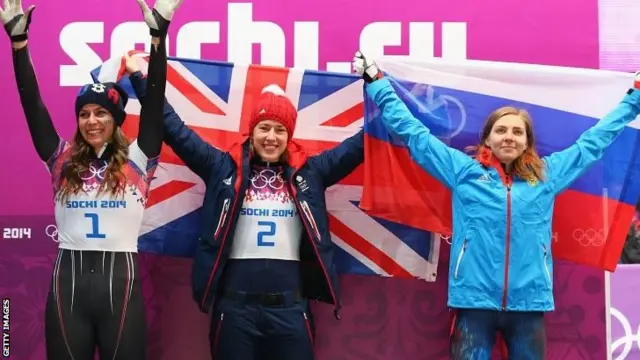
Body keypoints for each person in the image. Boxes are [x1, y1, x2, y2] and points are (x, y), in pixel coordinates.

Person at [352, 51, 640, 359]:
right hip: (473, 304)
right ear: (486, 139)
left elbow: (594, 141)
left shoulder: (547, 176)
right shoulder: (463, 172)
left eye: (517, 132)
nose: (509, 137)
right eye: (501, 130)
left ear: (527, 142)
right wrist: (377, 84)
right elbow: (415, 135)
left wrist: (634, 98)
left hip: (528, 305)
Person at [125, 68, 364, 358]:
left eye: (280, 130)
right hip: (235, 312)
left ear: (289, 135)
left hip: (291, 312)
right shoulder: (222, 168)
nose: (271, 137)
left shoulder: (310, 173)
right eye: (264, 128)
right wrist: (140, 76)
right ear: (252, 132)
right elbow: (172, 127)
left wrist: (379, 88)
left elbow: (361, 145)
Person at [1, 0, 182, 358]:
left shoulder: (138, 157)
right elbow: (32, 107)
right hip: (68, 293)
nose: (92, 121)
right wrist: (19, 45)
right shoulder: (61, 160)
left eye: (101, 113)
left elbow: (156, 100)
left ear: (115, 119)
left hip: (121, 292)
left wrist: (158, 36)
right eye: (84, 114)